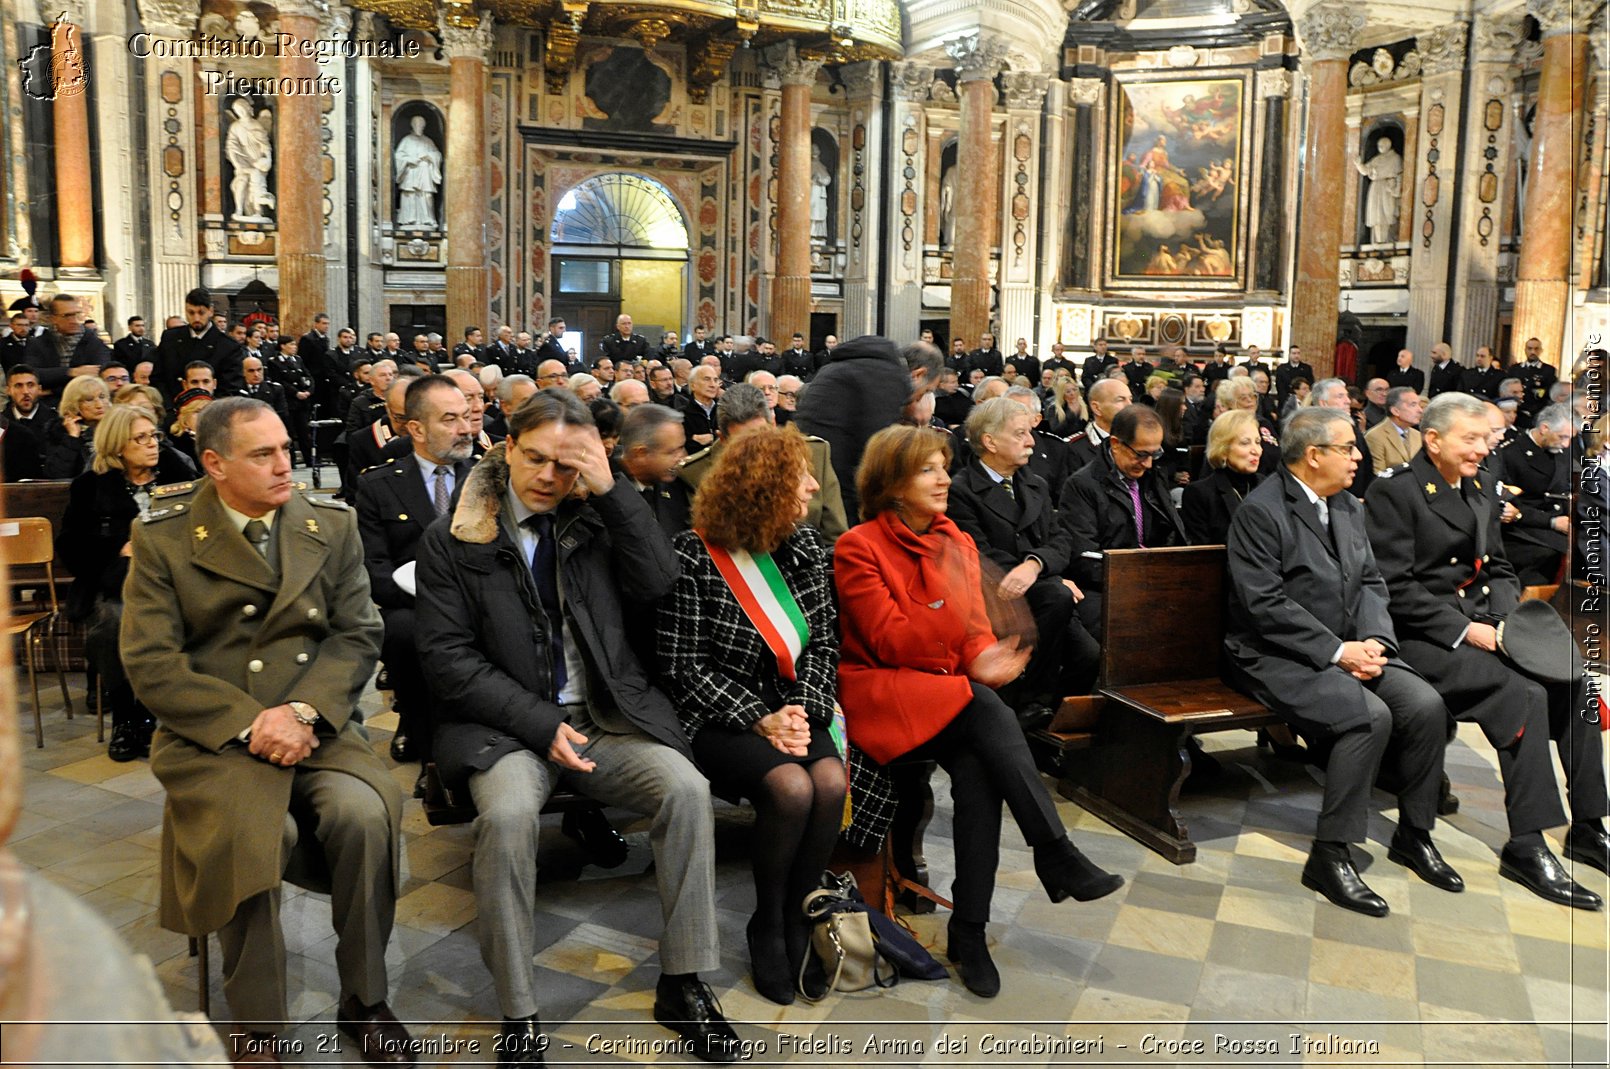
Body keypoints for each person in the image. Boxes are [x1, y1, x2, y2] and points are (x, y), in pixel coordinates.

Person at [414, 391, 739, 1064]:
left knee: (685, 789)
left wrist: (612, 488)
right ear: (508, 448)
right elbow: (448, 659)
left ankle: (684, 981)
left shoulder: (593, 516)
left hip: (603, 716)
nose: (547, 477)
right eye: (535, 458)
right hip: (506, 728)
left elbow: (660, 582)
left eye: (566, 465)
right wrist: (537, 722)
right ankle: (519, 1009)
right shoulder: (455, 535)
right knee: (505, 820)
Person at [119, 397, 412, 1063]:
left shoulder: (329, 524)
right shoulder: (166, 537)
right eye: (264, 454)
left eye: (286, 447)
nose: (286, 464)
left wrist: (303, 712)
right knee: (254, 832)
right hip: (213, 736)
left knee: (366, 814)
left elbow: (357, 631)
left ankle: (364, 998)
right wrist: (253, 722)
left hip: (318, 725)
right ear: (215, 463)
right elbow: (152, 663)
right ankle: (258, 1020)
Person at [834, 425, 1123, 997]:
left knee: (979, 769)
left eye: (945, 465)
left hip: (947, 695)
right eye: (928, 470)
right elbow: (890, 640)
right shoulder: (858, 546)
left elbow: (971, 632)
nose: (944, 478)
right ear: (891, 483)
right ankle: (1054, 852)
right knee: (985, 708)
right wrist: (961, 637)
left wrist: (978, 655)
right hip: (883, 694)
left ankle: (970, 930)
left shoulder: (956, 543)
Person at [1365, 392, 1606, 909]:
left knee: (1577, 682)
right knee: (1523, 695)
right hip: (1423, 638)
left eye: (1486, 438)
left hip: (1485, 626)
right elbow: (1395, 587)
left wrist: (1500, 619)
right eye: (1470, 439)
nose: (1483, 448)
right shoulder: (1398, 492)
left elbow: (1498, 567)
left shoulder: (1478, 487)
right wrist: (1466, 630)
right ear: (1433, 439)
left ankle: (1588, 824)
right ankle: (1527, 843)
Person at [1223, 408, 1452, 916]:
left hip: (1350, 647)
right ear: (1313, 456)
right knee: (1368, 717)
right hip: (1272, 654)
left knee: (1425, 704)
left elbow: (1371, 580)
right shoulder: (1262, 511)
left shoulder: (1346, 504)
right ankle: (1330, 854)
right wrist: (1337, 651)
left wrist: (1373, 640)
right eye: (1348, 448)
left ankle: (1415, 833)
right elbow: (1263, 604)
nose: (1357, 456)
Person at [658, 427, 845, 1005]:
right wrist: (761, 718)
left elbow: (822, 644)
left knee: (832, 781)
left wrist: (804, 708)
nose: (814, 486)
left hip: (794, 703)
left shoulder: (806, 547)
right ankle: (767, 923)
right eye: (799, 479)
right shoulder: (694, 554)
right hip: (719, 713)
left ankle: (799, 916)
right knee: (791, 787)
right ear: (763, 490)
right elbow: (682, 666)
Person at [354, 376, 477, 786]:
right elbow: (374, 569)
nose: (465, 428)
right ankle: (428, 749)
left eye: (466, 417)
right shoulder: (379, 485)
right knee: (404, 633)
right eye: (449, 420)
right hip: (414, 604)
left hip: (481, 598)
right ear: (417, 429)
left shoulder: (486, 478)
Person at [946, 396, 1100, 720]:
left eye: (1030, 432)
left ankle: (1049, 721)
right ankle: (1028, 709)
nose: (1031, 441)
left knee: (1090, 656)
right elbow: (980, 554)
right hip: (997, 600)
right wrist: (1044, 574)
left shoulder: (1035, 483)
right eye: (1019, 434)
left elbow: (1061, 539)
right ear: (989, 441)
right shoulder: (961, 490)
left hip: (1042, 589)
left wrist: (1036, 565)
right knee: (1058, 597)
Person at [59, 405, 194, 761]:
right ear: (119, 445)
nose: (153, 444)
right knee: (113, 623)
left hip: (174, 581)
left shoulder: (178, 474)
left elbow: (201, 529)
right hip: (113, 583)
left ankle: (156, 714)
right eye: (142, 438)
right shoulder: (91, 486)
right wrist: (120, 546)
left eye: (155, 436)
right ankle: (125, 715)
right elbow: (71, 548)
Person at [1060, 405, 1187, 638]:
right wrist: (1137, 578)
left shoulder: (1152, 477)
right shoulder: (1082, 486)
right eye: (1140, 454)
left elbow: (1173, 532)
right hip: (1105, 586)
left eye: (1154, 454)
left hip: (1153, 579)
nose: (1148, 463)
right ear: (1116, 444)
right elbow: (1083, 558)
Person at [793, 336, 942, 523]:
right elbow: (877, 461)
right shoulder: (886, 379)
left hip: (812, 476)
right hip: (831, 491)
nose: (921, 399)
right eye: (927, 390)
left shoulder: (856, 365)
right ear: (918, 375)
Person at [679, 383, 848, 543]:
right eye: (741, 444)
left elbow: (834, 538)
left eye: (761, 438)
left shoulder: (814, 453)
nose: (755, 450)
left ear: (773, 424)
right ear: (722, 439)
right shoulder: (694, 473)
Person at [1495, 401, 1573, 585]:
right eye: (1562, 437)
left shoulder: (1559, 450)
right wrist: (1551, 522)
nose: (1566, 444)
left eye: (1569, 438)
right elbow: (1511, 503)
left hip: (1558, 522)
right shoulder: (1511, 453)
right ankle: (1528, 605)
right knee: (1549, 554)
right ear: (1544, 428)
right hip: (1523, 526)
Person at [1181, 409, 1264, 545]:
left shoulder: (1267, 486)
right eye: (1245, 443)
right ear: (1223, 449)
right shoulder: (1199, 494)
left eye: (1258, 442)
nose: (1256, 451)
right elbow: (1202, 554)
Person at [152, 288, 244, 403]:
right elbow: (158, 378)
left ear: (210, 311)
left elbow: (230, 388)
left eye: (201, 313)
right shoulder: (170, 338)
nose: (196, 318)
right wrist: (171, 408)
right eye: (191, 313)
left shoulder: (228, 346)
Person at [20, 293, 110, 391]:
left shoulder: (94, 343)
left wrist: (51, 390)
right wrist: (71, 372)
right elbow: (32, 374)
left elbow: (98, 376)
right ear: (53, 318)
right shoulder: (38, 343)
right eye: (67, 315)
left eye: (77, 314)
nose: (74, 320)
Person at [43, 374, 110, 479]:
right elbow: (55, 475)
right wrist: (72, 438)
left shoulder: (117, 429)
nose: (99, 405)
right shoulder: (58, 433)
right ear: (74, 404)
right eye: (89, 399)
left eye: (102, 397)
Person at [2, 364, 53, 480]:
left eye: (30, 385)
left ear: (39, 389)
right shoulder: (1, 424)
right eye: (18, 386)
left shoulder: (55, 423)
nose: (25, 391)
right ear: (8, 390)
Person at [1364, 387, 1423, 471]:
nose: (1420, 410)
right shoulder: (1375, 436)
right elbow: (1379, 476)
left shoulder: (1418, 435)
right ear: (1395, 411)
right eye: (1413, 405)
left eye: (1419, 405)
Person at [165, 388, 212, 472]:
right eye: (197, 411)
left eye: (208, 411)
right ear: (183, 417)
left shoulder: (222, 439)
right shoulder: (174, 446)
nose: (203, 416)